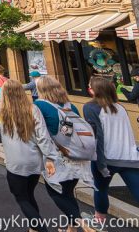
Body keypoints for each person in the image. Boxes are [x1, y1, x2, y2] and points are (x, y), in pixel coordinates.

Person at [0, 79, 59, 232]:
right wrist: (50, 158)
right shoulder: (33, 109)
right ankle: (33, 228)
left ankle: (41, 228)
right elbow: (43, 136)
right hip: (34, 162)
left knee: (21, 197)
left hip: (15, 162)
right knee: (29, 194)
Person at [34, 76, 95, 232]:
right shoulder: (70, 106)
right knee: (67, 192)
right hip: (76, 155)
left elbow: (38, 131)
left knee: (56, 192)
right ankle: (71, 229)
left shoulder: (39, 105)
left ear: (41, 90)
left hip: (57, 157)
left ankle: (84, 225)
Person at [84, 76, 139, 227]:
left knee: (100, 189)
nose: (88, 88)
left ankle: (99, 222)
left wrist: (100, 164)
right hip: (128, 156)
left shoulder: (90, 107)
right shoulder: (120, 107)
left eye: (90, 86)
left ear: (95, 90)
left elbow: (97, 137)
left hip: (106, 158)